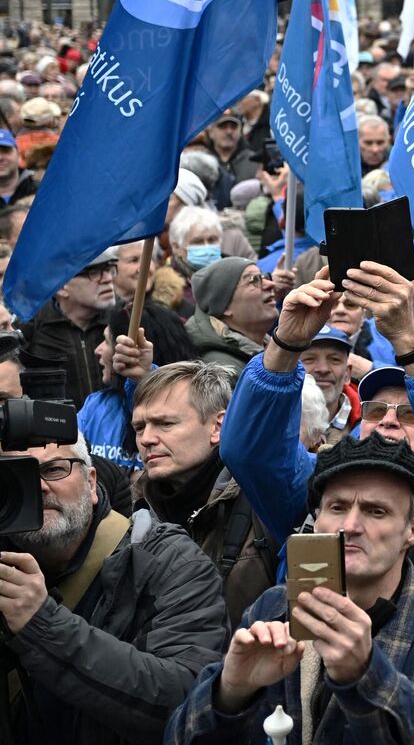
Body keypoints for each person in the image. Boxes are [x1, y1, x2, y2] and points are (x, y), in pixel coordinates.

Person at [166, 433, 414, 745]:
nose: (350, 525)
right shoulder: (273, 607)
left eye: (376, 511)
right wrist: (230, 694)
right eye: (337, 507)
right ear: (317, 519)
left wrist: (367, 676)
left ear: (413, 530)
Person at [222, 263, 414, 604]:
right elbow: (250, 452)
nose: (388, 420)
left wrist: (407, 338)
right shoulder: (315, 484)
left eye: (410, 414)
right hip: (313, 653)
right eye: (375, 410)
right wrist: (286, 343)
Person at [0, 429, 226, 743]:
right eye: (16, 474)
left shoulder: (168, 561)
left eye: (54, 469)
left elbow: (187, 699)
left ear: (91, 482)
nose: (38, 487)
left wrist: (41, 623)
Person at [128, 360, 275, 626]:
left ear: (218, 427)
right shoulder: (131, 510)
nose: (147, 439)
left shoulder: (265, 503)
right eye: (139, 427)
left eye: (165, 424)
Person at [18, 245, 113, 401]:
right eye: (94, 273)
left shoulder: (123, 321)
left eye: (109, 269)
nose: (108, 278)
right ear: (61, 287)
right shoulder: (31, 325)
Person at [183, 255, 277, 378]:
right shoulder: (220, 371)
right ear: (225, 306)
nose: (270, 284)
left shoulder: (265, 347)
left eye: (264, 277)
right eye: (254, 280)